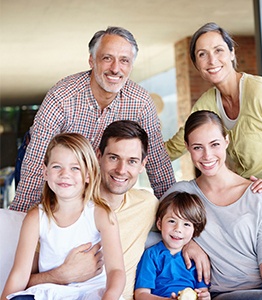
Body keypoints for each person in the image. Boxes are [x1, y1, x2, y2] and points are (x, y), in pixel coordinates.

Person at [11, 26, 175, 212]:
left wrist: (175, 213)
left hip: (97, 170)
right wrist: (20, 216)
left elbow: (157, 161)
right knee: (42, 218)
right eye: (107, 58)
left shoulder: (141, 103)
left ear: (131, 66)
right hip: (51, 162)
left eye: (124, 61)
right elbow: (37, 159)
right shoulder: (62, 95)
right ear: (92, 60)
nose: (115, 69)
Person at [163, 110, 262, 300]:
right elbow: (160, 227)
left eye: (215, 144)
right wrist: (188, 242)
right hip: (224, 292)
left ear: (226, 141)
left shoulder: (257, 193)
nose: (207, 155)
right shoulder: (181, 193)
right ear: (187, 147)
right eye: (197, 147)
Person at [17, 121, 159, 300]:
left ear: (142, 165)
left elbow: (179, 224)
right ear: (98, 156)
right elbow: (23, 281)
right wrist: (62, 274)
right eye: (113, 158)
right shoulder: (63, 206)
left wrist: (193, 244)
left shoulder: (147, 204)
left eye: (132, 161)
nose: (121, 170)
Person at [165, 22, 262, 199]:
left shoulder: (260, 92)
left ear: (232, 53)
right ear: (196, 64)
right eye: (202, 54)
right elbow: (176, 146)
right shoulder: (207, 103)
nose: (212, 60)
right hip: (246, 198)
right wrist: (133, 157)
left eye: (218, 50)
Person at [1, 133, 125, 300]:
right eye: (57, 167)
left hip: (92, 293)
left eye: (75, 168)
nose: (65, 174)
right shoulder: (36, 217)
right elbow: (19, 274)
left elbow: (116, 270)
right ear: (45, 172)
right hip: (50, 293)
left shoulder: (100, 214)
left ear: (88, 175)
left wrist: (109, 296)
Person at [134, 191, 210, 300]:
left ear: (195, 230)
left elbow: (203, 291)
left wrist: (205, 297)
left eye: (186, 224)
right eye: (172, 221)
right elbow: (141, 294)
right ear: (159, 224)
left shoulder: (195, 258)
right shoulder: (152, 255)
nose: (178, 229)